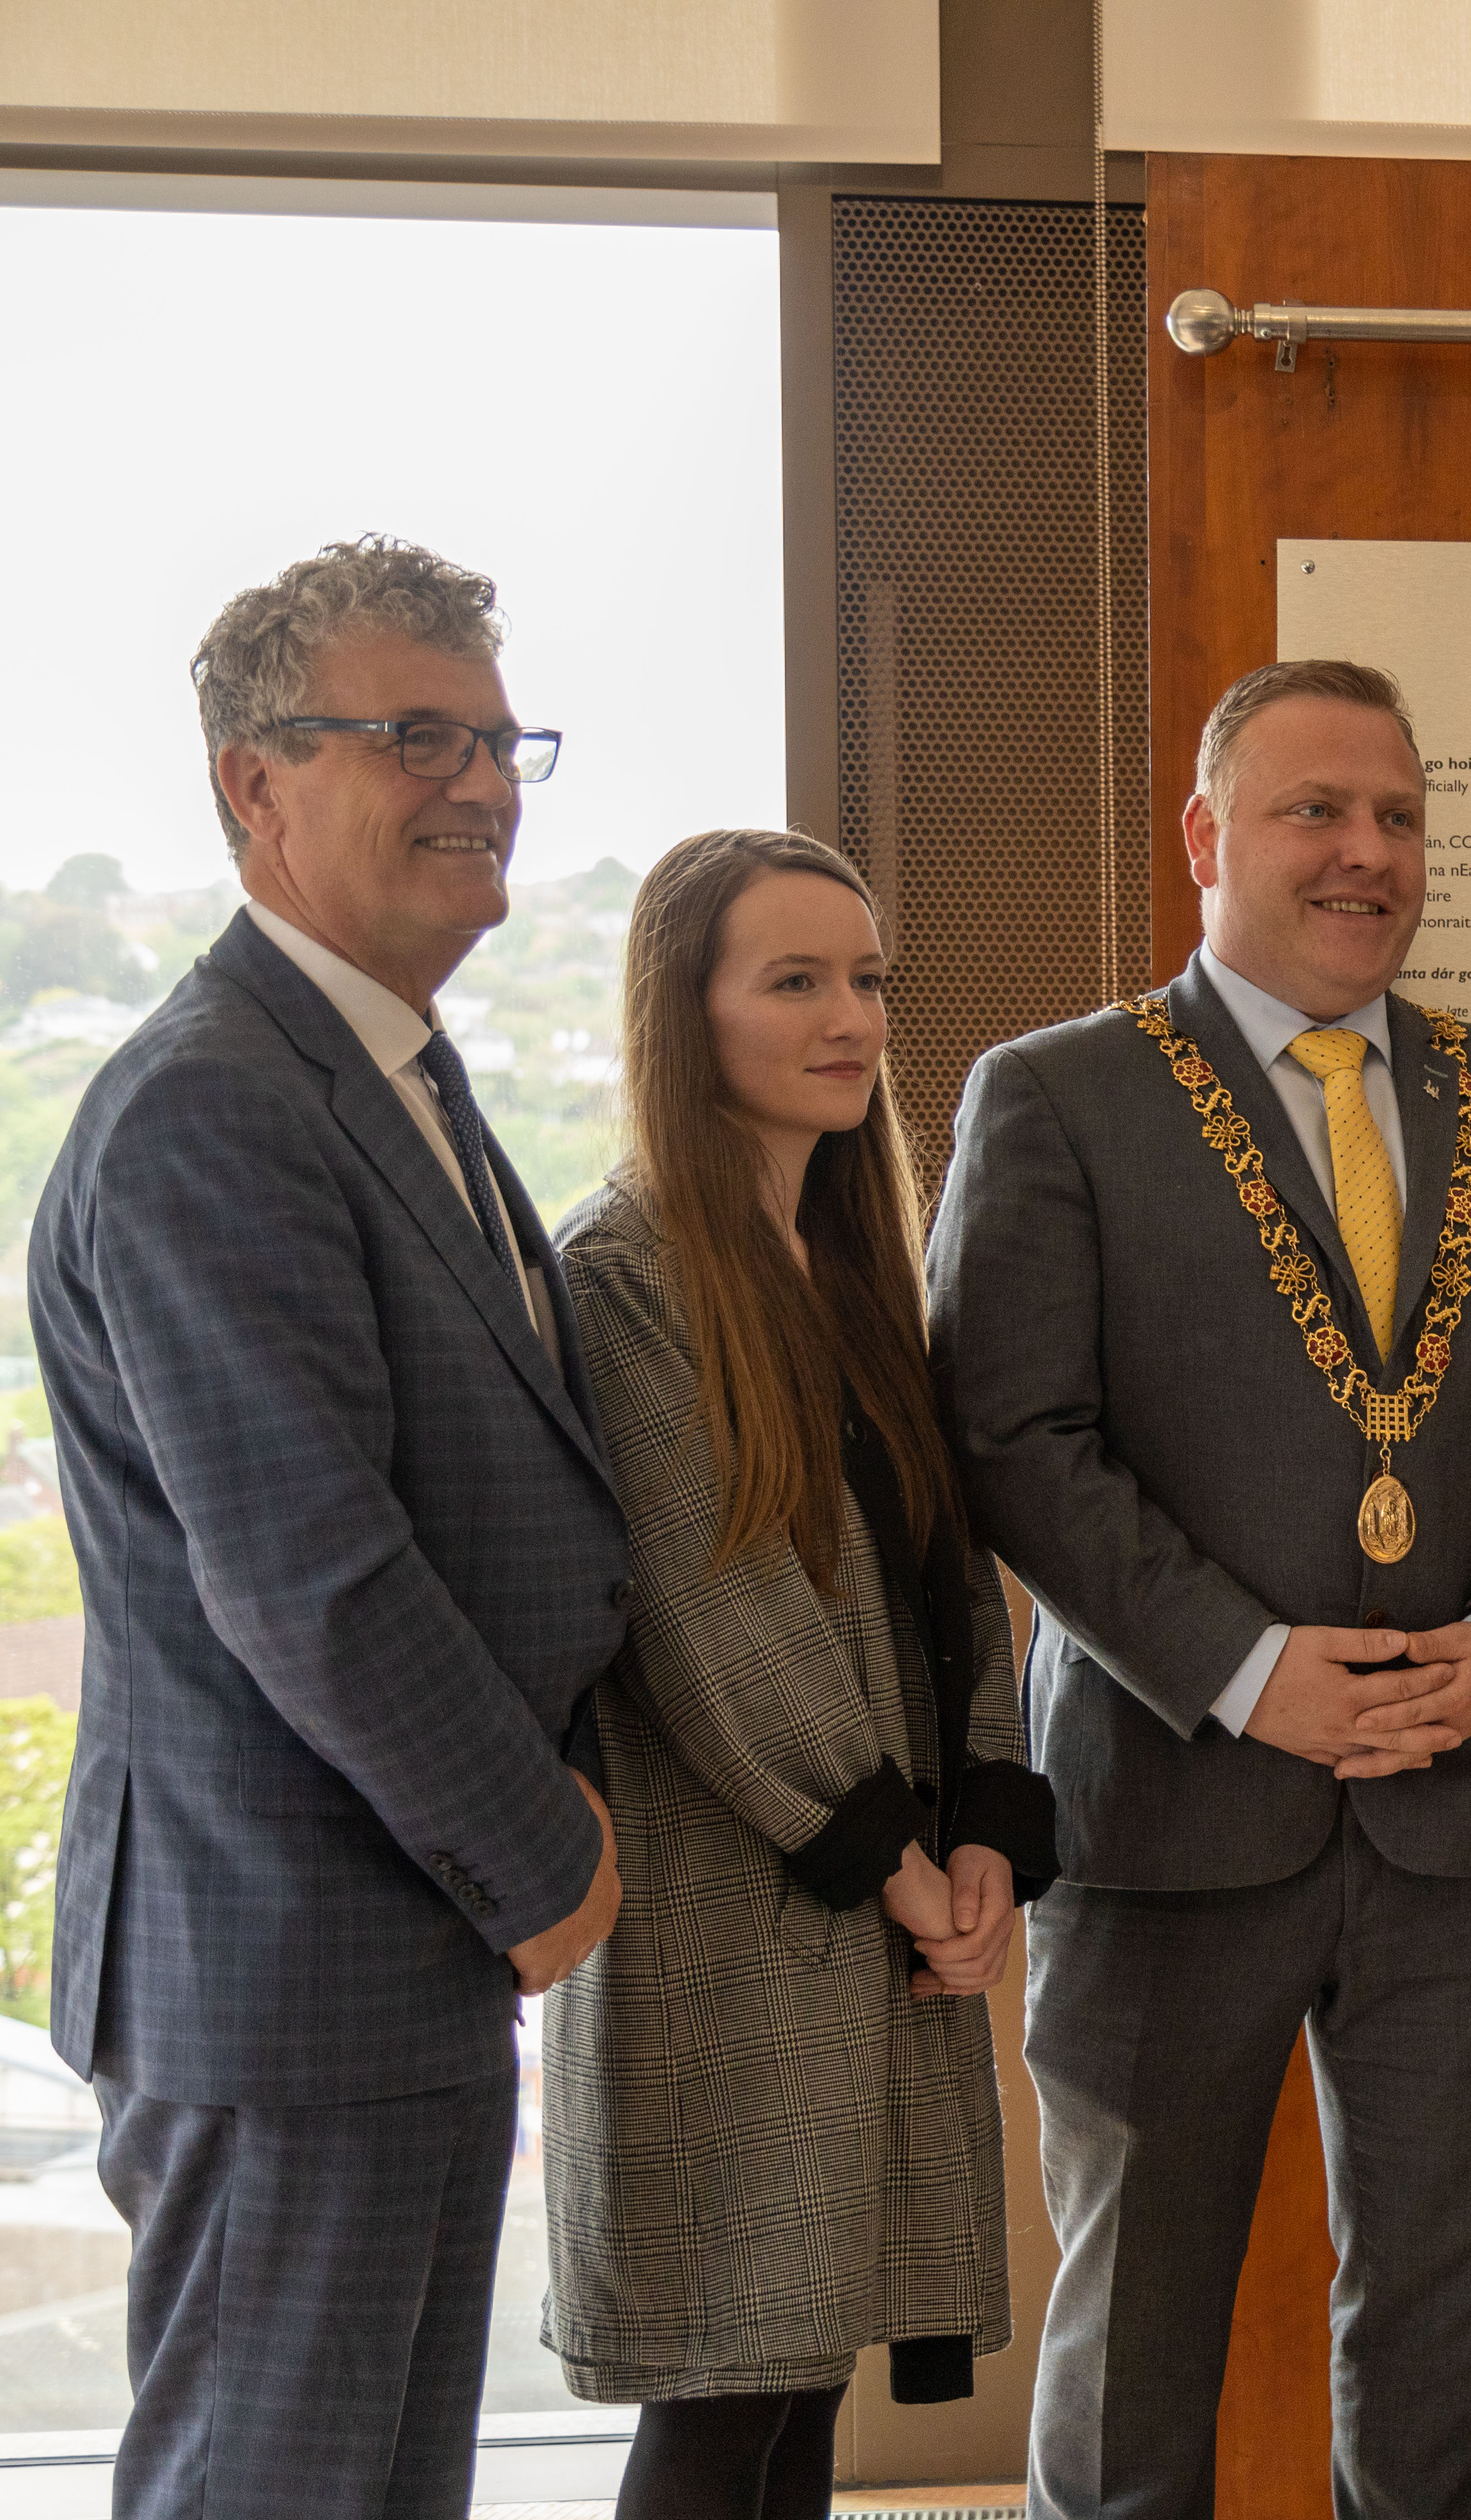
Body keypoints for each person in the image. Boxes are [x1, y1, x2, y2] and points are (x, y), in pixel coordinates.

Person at [930, 658, 1471, 2520]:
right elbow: (1015, 1440)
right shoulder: (1059, 1096)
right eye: (1315, 811)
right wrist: (1247, 1669)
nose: (1366, 853)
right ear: (1206, 837)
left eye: (1398, 816)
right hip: (1173, 1809)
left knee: (1436, 2326)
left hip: (1465, 1803)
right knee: (1137, 2340)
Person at [30, 537, 629, 2518]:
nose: (477, 784)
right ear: (253, 786)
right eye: (413, 737)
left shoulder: (394, 1073)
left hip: (391, 1947)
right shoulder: (216, 1106)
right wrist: (546, 1865)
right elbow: (313, 1571)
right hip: (284, 1958)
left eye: (496, 740)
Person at [545, 829, 1059, 2519]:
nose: (852, 1018)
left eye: (865, 978)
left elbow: (950, 1582)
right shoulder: (626, 1275)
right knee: (719, 2404)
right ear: (685, 1016)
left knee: (791, 2410)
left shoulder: (846, 1269)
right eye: (795, 981)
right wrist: (901, 1868)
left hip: (880, 1903)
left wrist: (989, 1820)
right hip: (732, 1925)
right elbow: (716, 1625)